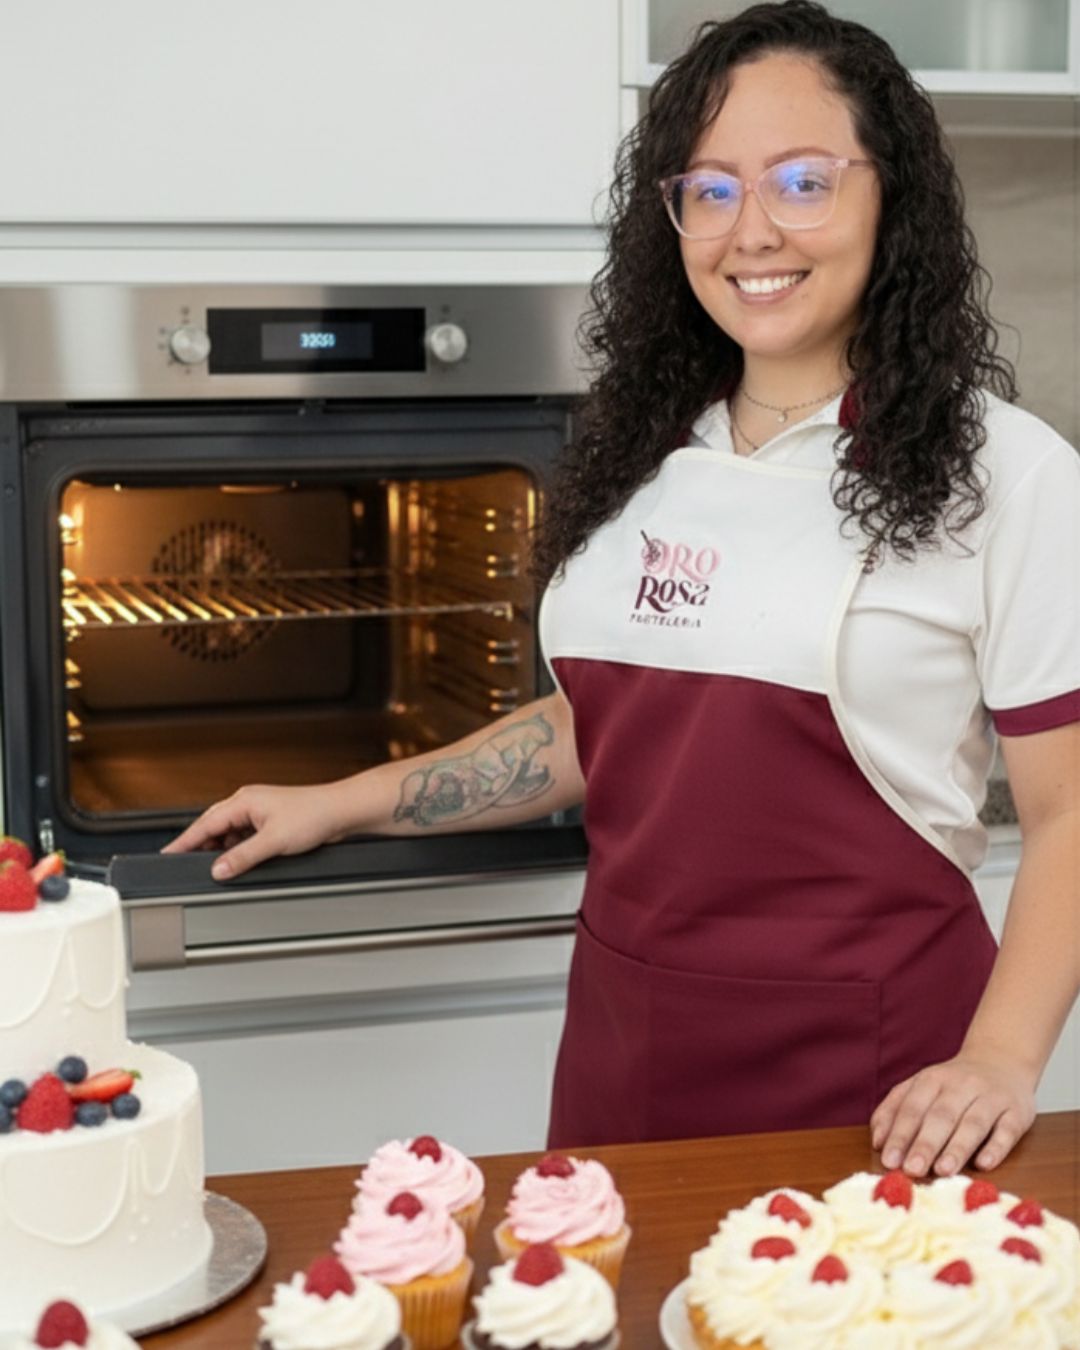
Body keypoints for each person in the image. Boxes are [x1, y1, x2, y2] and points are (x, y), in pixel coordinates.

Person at [166, 1, 1080, 1179]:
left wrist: (1004, 1058)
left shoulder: (1007, 475)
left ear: (889, 194)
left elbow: (1067, 814)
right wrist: (344, 800)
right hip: (624, 1049)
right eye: (708, 190)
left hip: (880, 1073)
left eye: (802, 181)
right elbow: (616, 727)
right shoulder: (649, 451)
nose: (751, 231)